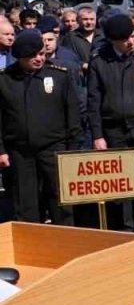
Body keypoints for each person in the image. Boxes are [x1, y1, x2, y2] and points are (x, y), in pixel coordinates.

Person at [86, 13, 134, 233]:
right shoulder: (99, 61)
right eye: (125, 39)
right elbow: (94, 100)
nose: (131, 41)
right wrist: (97, 135)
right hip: (114, 130)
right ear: (113, 41)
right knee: (120, 182)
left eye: (133, 36)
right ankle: (125, 228)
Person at [0, 30, 81, 224]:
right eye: (32, 56)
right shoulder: (5, 80)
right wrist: (1, 150)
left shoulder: (59, 75)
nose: (38, 59)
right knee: (25, 201)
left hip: (55, 147)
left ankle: (64, 240)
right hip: (20, 150)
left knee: (59, 199)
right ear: (20, 57)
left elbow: (73, 113)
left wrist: (73, 148)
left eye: (41, 54)